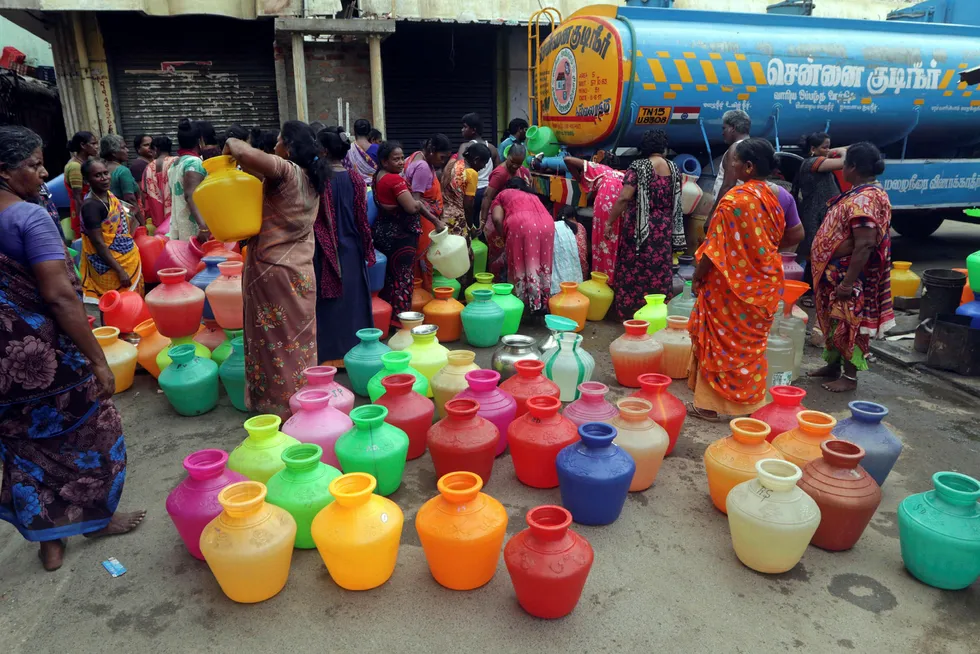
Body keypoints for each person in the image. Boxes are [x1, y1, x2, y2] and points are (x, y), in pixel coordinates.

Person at [0, 126, 144, 572]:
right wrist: (99, 361)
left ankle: (49, 542)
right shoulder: (28, 218)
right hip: (46, 357)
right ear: (4, 170)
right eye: (33, 165)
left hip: (3, 368)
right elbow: (61, 296)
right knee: (98, 435)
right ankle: (95, 519)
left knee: (24, 449)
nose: (44, 174)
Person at [223, 121, 323, 417]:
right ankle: (306, 402)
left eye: (279, 140)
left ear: (288, 147)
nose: (275, 145)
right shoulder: (310, 177)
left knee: (272, 343)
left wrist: (231, 141)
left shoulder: (286, 170)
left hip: (272, 271)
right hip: (301, 272)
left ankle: (278, 408)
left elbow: (242, 151)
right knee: (299, 341)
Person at [687, 138, 786, 420]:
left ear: (748, 167)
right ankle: (751, 406)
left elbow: (713, 250)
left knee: (721, 345)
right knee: (749, 350)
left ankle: (709, 405)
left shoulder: (733, 201)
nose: (730, 165)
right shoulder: (773, 198)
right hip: (764, 286)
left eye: (734, 161)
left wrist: (696, 277)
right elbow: (782, 239)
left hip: (729, 288)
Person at [809, 143, 895, 393]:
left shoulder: (866, 199)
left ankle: (850, 376)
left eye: (845, 164)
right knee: (834, 321)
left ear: (853, 167)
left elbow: (865, 244)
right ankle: (833, 366)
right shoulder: (861, 193)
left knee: (850, 323)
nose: (842, 169)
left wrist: (847, 282)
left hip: (848, 276)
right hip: (834, 274)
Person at [312, 126, 375, 364]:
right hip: (352, 248)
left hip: (324, 251)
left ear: (324, 151)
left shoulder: (317, 180)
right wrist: (367, 248)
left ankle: (328, 357)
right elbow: (362, 219)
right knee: (354, 302)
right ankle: (357, 353)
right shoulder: (356, 179)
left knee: (328, 304)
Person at [605, 129, 684, 318]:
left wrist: (609, 222)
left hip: (640, 228)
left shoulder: (639, 167)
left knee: (635, 267)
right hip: (664, 228)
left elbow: (624, 197)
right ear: (664, 148)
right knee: (659, 268)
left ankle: (632, 312)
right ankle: (656, 312)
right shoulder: (674, 169)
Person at [372, 141, 445, 316]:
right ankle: (401, 320)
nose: (400, 162)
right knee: (403, 278)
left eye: (402, 158)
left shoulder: (378, 176)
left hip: (385, 232)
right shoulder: (394, 179)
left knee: (390, 277)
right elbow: (411, 207)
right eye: (395, 159)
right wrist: (433, 218)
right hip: (400, 237)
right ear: (384, 161)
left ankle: (388, 316)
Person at [78, 159, 143, 302]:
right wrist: (119, 270)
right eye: (98, 175)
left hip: (126, 257)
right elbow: (99, 243)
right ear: (87, 180)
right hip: (111, 267)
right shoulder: (91, 206)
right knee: (114, 303)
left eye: (106, 173)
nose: (104, 178)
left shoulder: (108, 196)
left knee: (132, 305)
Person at [794, 132, 847, 306]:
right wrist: (840, 152)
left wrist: (834, 150)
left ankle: (816, 292)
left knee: (820, 254)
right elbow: (844, 162)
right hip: (815, 216)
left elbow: (849, 149)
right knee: (814, 255)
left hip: (822, 215)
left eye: (828, 146)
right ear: (812, 149)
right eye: (824, 147)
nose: (827, 150)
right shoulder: (812, 163)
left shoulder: (819, 160)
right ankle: (810, 294)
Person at [486, 178, 555, 312]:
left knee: (518, 264)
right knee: (541, 263)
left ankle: (521, 305)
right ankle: (541, 303)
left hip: (521, 224)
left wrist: (504, 236)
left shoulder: (503, 194)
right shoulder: (533, 196)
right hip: (548, 225)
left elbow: (497, 219)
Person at [565, 155, 625, 280]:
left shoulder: (603, 169)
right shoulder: (623, 175)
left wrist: (578, 178)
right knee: (617, 242)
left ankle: (600, 279)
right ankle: (614, 279)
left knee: (601, 240)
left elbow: (568, 159)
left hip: (605, 204)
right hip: (622, 204)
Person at [167, 118, 208, 241]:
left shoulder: (175, 163)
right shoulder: (194, 163)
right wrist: (203, 227)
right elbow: (190, 196)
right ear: (200, 140)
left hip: (179, 227)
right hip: (194, 230)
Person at [458, 113, 499, 228]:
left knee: (470, 225)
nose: (462, 130)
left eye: (465, 127)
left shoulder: (465, 146)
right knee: (483, 225)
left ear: (473, 130)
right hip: (488, 193)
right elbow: (498, 172)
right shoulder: (492, 148)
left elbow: (460, 171)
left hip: (472, 193)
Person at [709, 109, 752, 218]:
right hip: (746, 207)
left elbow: (728, 185)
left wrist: (713, 215)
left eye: (724, 128)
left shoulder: (735, 149)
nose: (722, 133)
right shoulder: (753, 146)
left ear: (733, 128)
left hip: (731, 209)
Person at [480, 143, 531, 229]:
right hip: (499, 214)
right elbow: (487, 196)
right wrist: (483, 221)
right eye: (512, 161)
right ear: (507, 156)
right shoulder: (500, 174)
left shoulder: (523, 171)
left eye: (519, 163)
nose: (515, 166)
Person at [99, 134, 143, 227]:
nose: (127, 150)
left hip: (106, 219)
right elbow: (130, 199)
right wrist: (142, 223)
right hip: (123, 220)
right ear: (114, 152)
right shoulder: (122, 171)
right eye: (123, 148)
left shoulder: (101, 169)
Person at [405, 134, 452, 219]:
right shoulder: (423, 167)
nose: (443, 161)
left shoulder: (417, 154)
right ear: (432, 150)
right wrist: (436, 221)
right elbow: (416, 200)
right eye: (442, 157)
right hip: (425, 220)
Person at [64, 131, 97, 235]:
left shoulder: (84, 163)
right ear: (83, 145)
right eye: (93, 143)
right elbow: (78, 197)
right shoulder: (75, 167)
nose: (96, 147)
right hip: (83, 213)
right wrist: (84, 221)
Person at [142, 135, 174, 234]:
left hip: (157, 218)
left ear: (155, 149)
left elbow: (144, 193)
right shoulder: (177, 162)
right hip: (175, 215)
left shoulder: (148, 167)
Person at [551, 207, 585, 294]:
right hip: (581, 269)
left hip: (561, 273)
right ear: (574, 217)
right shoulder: (580, 227)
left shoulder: (554, 227)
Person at [346, 119, 378, 186]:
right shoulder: (378, 149)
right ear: (369, 132)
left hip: (356, 189)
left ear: (354, 131)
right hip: (376, 188)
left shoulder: (348, 150)